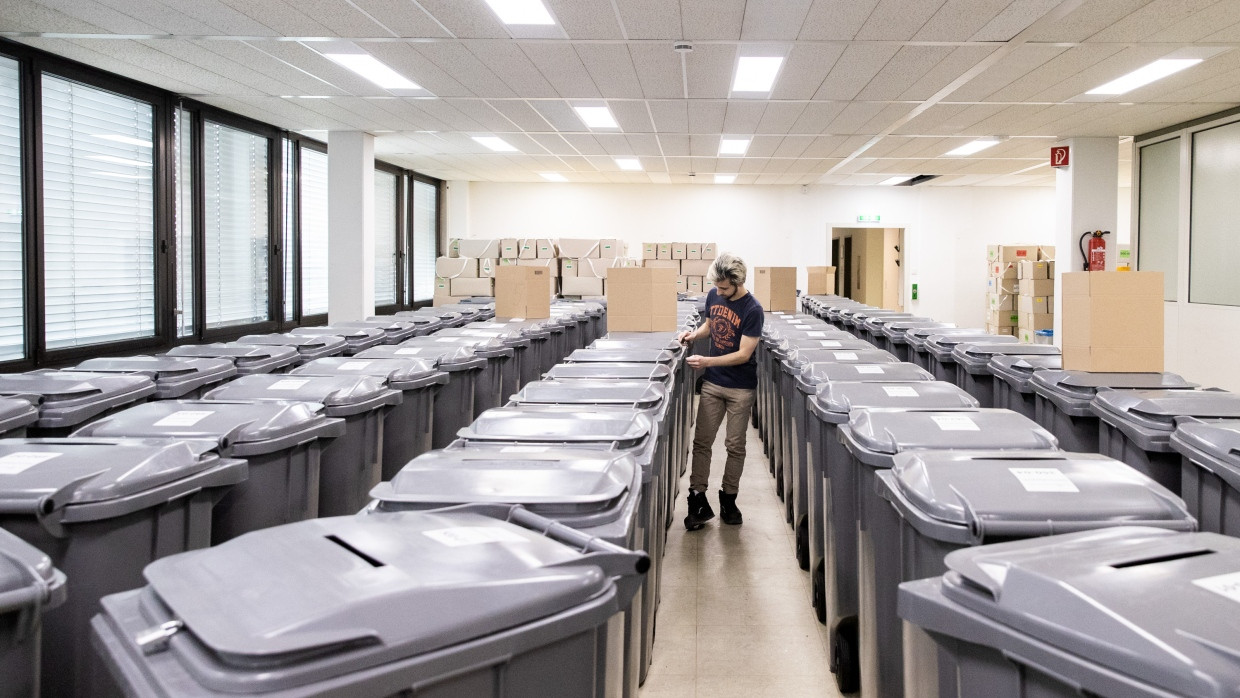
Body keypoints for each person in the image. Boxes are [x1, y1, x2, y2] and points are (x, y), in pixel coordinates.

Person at [676, 252, 764, 530]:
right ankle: (697, 499)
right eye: (717, 286)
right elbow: (711, 325)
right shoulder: (715, 296)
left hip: (740, 387)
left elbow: (744, 354)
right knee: (702, 442)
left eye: (724, 287)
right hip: (713, 384)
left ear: (738, 283)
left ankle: (729, 498)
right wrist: (693, 335)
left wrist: (706, 361)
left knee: (735, 446)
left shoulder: (753, 309)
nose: (719, 291)